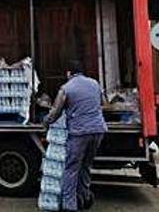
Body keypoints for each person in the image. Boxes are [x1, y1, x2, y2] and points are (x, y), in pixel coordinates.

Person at [44, 60, 107, 212]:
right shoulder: (94, 83)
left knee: (71, 168)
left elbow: (55, 111)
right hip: (98, 130)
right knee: (86, 166)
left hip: (80, 133)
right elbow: (103, 103)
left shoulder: (66, 88)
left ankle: (69, 205)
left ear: (68, 73)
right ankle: (84, 197)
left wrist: (46, 122)